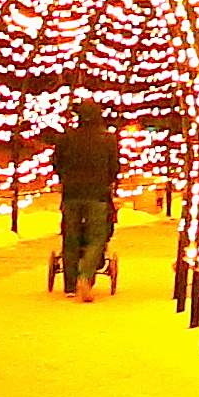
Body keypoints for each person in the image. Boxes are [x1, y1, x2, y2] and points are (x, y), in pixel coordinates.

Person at [51, 99, 121, 300]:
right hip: (97, 195)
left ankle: (70, 285)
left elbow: (57, 163)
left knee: (70, 237)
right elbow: (114, 167)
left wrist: (66, 177)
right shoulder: (108, 139)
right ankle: (86, 276)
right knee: (97, 238)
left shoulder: (66, 138)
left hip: (72, 194)